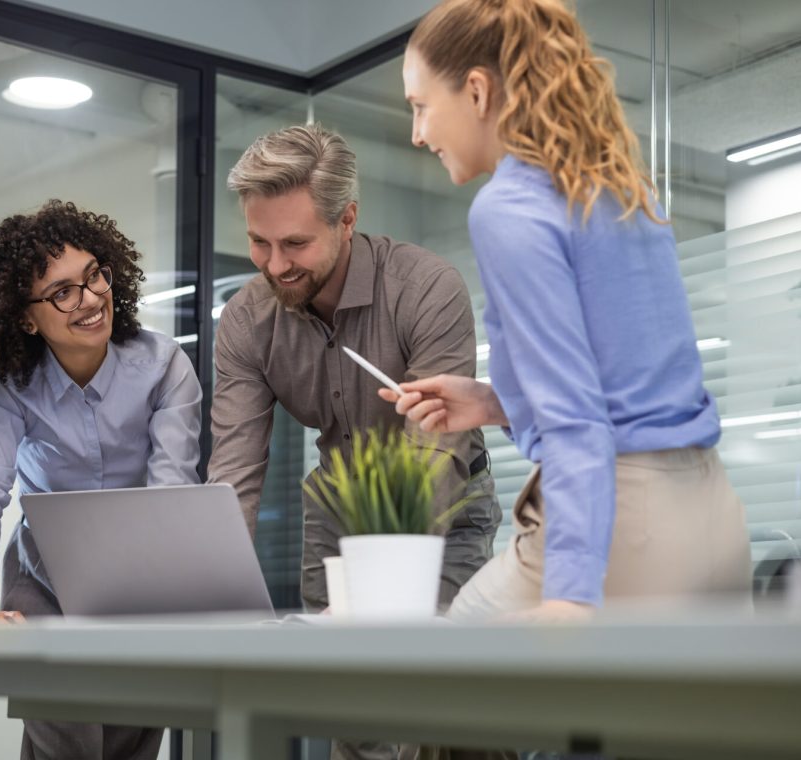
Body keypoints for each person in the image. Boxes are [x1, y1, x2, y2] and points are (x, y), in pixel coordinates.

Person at [391, 0, 751, 624]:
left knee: (441, 684)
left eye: (421, 106)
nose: (417, 134)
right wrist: (494, 401)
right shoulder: (618, 187)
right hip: (714, 523)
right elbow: (629, 378)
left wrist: (570, 597)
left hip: (625, 531)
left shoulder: (507, 209)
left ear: (476, 91)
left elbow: (579, 422)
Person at [207, 123, 502, 760]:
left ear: (347, 219)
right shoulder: (245, 321)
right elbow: (235, 469)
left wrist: (385, 580)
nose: (275, 265)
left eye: (295, 243)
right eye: (259, 242)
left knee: (449, 709)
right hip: (337, 508)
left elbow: (433, 453)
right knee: (356, 709)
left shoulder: (426, 288)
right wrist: (210, 588)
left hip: (443, 506)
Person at [0, 199, 201, 760]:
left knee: (130, 746)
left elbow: (170, 490)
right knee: (69, 744)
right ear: (25, 317)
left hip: (140, 581)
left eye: (94, 276)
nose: (90, 299)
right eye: (63, 292)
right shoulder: (11, 386)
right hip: (45, 582)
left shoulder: (163, 366)